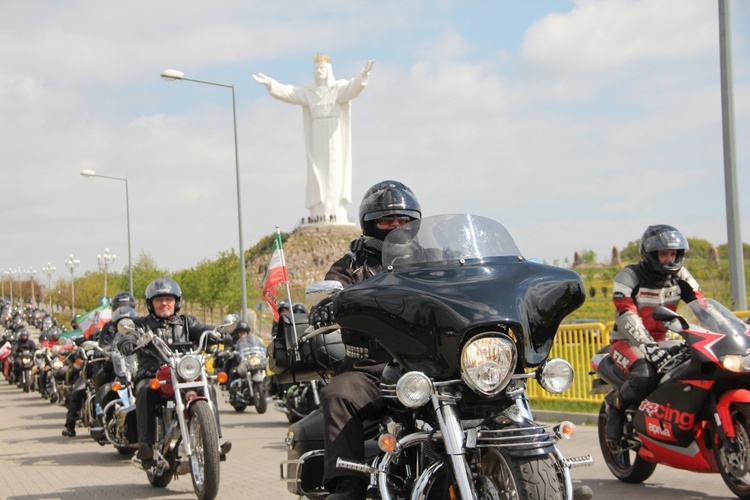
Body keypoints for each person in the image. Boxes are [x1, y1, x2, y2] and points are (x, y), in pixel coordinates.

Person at [315, 180, 421, 500]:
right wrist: (327, 304)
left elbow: (460, 281)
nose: (396, 226)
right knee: (339, 393)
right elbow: (331, 288)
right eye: (387, 220)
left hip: (427, 363)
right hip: (371, 369)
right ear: (370, 224)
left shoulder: (431, 258)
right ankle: (348, 483)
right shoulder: (352, 263)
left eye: (403, 219)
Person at [605, 224, 705, 445]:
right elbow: (625, 313)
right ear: (650, 254)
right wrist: (646, 345)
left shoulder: (682, 275)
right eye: (663, 254)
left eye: (673, 254)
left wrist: (731, 326)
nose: (669, 259)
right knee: (644, 377)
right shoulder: (629, 275)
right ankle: (616, 406)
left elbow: (702, 307)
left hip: (665, 341)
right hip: (627, 342)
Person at [117, 277, 229, 464]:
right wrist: (128, 342)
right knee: (145, 390)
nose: (164, 303)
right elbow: (129, 335)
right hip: (152, 373)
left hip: (183, 373)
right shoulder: (141, 323)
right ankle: (145, 445)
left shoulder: (186, 322)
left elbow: (201, 330)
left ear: (176, 301)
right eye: (159, 300)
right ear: (151, 303)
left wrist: (216, 335)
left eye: (168, 299)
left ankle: (213, 441)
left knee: (208, 385)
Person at [253, 55, 375, 221]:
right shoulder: (309, 92)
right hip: (316, 135)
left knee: (334, 172)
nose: (319, 71)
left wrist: (363, 75)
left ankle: (334, 208)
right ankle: (319, 208)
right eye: (316, 68)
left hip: (334, 135)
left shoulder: (337, 88)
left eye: (322, 68)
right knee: (318, 171)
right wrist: (270, 83)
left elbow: (353, 87)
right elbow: (290, 92)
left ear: (328, 70)